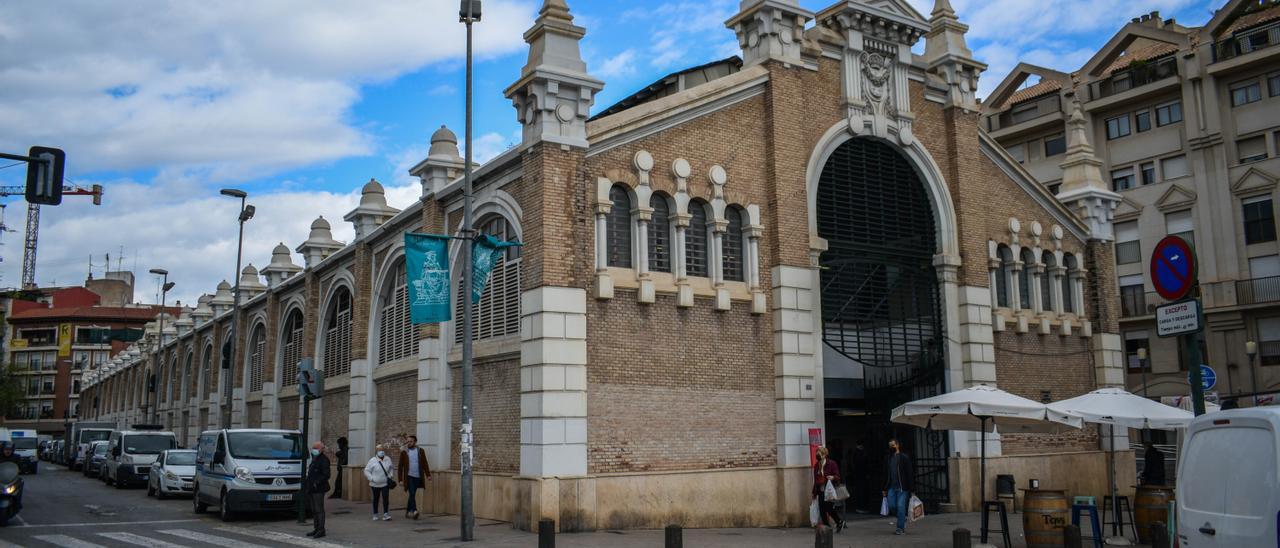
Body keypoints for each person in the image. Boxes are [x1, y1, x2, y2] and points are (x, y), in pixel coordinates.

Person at [882, 438, 914, 536]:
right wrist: (884, 488)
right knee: (892, 505)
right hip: (891, 487)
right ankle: (902, 517)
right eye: (890, 446)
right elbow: (885, 474)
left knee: (900, 506)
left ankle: (900, 528)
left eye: (893, 445)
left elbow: (909, 473)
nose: (891, 447)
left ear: (897, 445)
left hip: (902, 488)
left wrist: (912, 489)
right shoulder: (887, 458)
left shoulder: (904, 458)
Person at [397, 435, 432, 519]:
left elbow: (424, 463)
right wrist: (400, 479)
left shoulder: (420, 451)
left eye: (411, 441)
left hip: (418, 476)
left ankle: (408, 510)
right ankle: (415, 510)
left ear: (415, 442)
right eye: (408, 441)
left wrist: (428, 475)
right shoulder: (404, 452)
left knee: (412, 494)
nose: (409, 443)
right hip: (409, 476)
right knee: (412, 493)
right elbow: (400, 466)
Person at [812, 446, 845, 532]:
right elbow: (815, 480)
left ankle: (839, 521)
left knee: (829, 509)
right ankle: (826, 528)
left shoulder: (831, 464)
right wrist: (814, 493)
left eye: (820, 453)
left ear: (825, 455)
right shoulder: (816, 465)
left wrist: (832, 477)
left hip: (829, 491)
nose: (818, 455)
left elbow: (838, 476)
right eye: (817, 453)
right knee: (822, 509)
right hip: (820, 491)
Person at [363, 444, 395, 521]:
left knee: (385, 499)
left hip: (385, 483)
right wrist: (371, 478)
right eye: (379, 450)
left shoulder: (388, 459)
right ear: (376, 451)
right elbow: (366, 470)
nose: (381, 452)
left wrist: (390, 475)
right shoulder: (372, 460)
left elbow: (391, 468)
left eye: (382, 450)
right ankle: (375, 513)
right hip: (375, 484)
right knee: (376, 499)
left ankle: (386, 514)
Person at [306, 442, 331, 539]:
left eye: (315, 448)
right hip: (312, 487)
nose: (313, 449)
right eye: (313, 447)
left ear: (321, 449)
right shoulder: (315, 458)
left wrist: (317, 482)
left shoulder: (324, 460)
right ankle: (316, 528)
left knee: (319, 509)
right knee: (314, 509)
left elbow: (327, 475)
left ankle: (321, 530)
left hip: (318, 488)